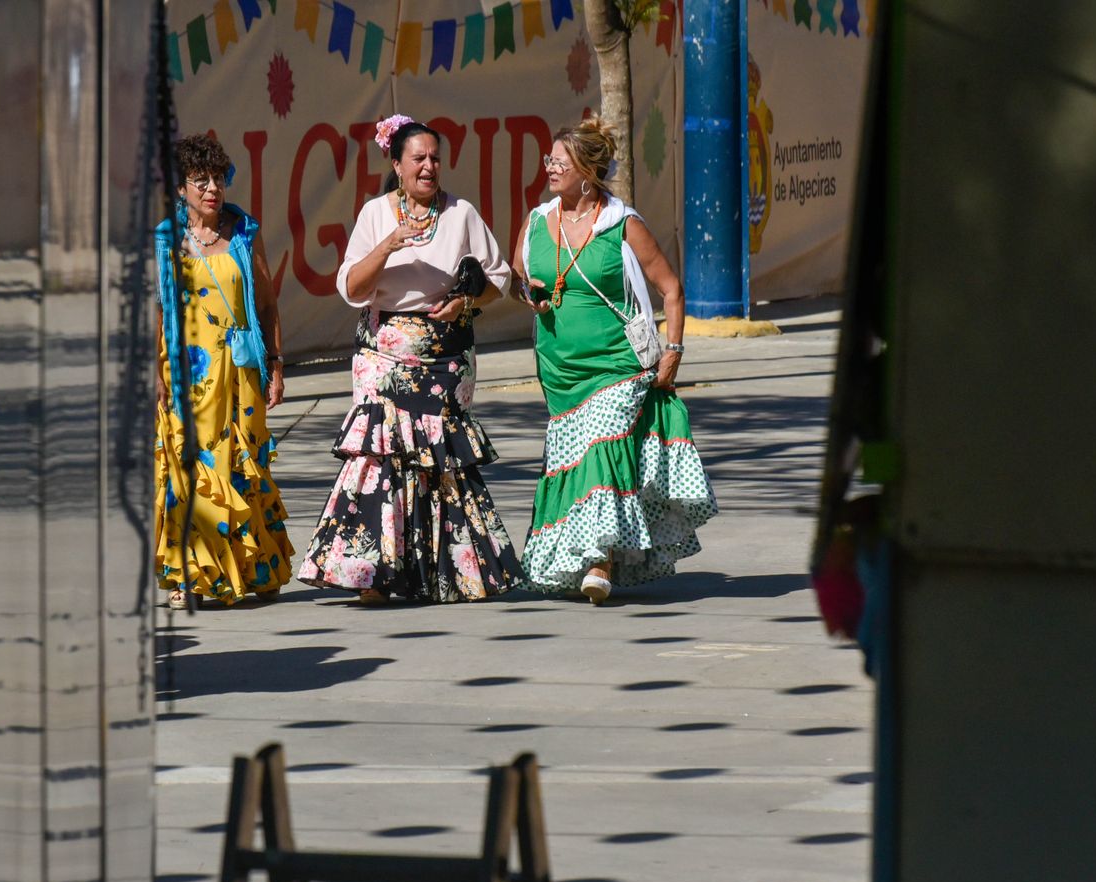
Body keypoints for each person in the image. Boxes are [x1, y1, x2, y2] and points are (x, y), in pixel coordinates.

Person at [297, 115, 523, 605]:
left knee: (441, 462)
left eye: (435, 158)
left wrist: (466, 302)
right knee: (379, 458)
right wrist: (388, 245)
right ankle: (373, 574)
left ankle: (449, 573)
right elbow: (353, 289)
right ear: (397, 166)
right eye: (417, 158)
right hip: (384, 353)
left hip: (445, 357)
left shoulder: (461, 214)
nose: (428, 167)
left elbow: (498, 277)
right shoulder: (376, 213)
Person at [512, 118, 718, 604]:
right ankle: (575, 556)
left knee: (601, 450)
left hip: (617, 366)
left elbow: (671, 289)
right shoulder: (538, 220)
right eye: (549, 161)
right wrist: (529, 293)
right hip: (560, 373)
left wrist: (675, 351)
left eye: (559, 163)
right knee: (571, 459)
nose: (550, 169)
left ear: (587, 171)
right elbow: (517, 274)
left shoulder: (623, 223)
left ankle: (600, 558)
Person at [153, 134, 293, 610]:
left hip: (241, 375)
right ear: (180, 188)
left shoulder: (243, 233)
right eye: (199, 181)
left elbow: (268, 303)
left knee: (244, 467)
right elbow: (155, 311)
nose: (212, 188)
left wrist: (276, 364)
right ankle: (187, 573)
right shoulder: (165, 241)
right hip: (188, 377)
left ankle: (253, 566)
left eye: (217, 178)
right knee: (189, 471)